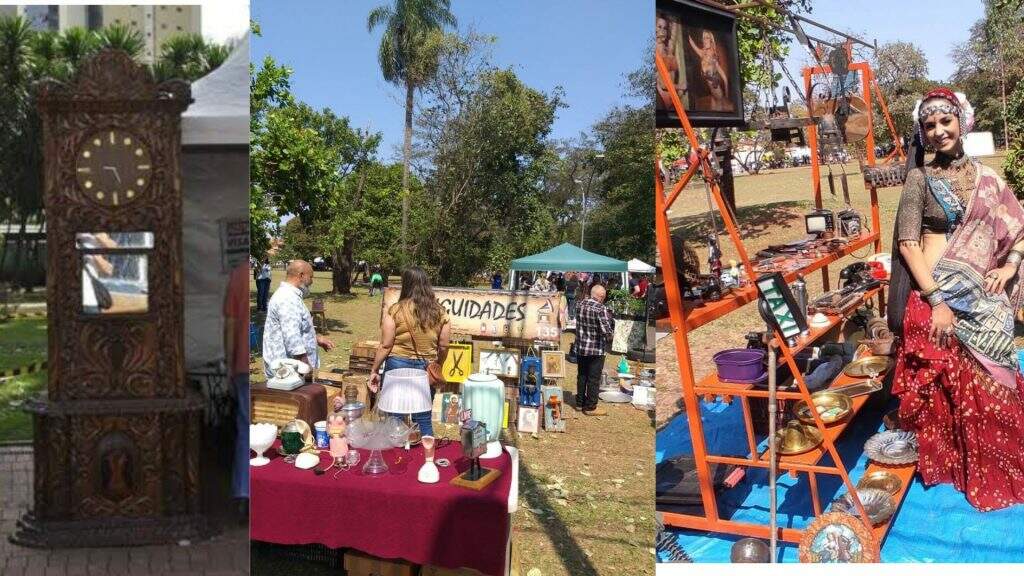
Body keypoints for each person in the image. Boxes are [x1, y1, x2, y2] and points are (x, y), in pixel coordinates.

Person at [888, 87, 1024, 511]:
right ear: (922, 133)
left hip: (983, 299)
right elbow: (909, 244)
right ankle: (958, 467)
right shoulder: (919, 179)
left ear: (961, 122)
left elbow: (1018, 227)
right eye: (929, 125)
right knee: (951, 389)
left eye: (945, 121)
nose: (938, 131)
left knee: (999, 381)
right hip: (937, 298)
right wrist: (938, 301)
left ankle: (1003, 467)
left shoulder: (989, 179)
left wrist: (1009, 266)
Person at [341, 266, 450, 436]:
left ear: (406, 284)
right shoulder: (440, 312)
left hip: (397, 365)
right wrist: (438, 365)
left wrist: (374, 370)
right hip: (425, 368)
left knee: (395, 416)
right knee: (423, 416)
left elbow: (385, 345)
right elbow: (443, 346)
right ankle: (427, 455)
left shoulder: (395, 310)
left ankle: (395, 456)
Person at [262, 260, 335, 378]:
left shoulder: (291, 296)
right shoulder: (287, 298)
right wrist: (306, 368)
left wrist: (316, 338)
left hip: (292, 371)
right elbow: (292, 338)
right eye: (311, 277)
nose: (312, 281)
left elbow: (294, 328)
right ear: (301, 275)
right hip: (287, 372)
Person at [223, 261, 250, 523]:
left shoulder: (237, 274)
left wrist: (229, 364)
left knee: (244, 429)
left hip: (241, 365)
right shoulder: (245, 274)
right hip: (245, 363)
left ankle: (243, 493)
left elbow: (229, 325)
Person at [574, 284, 615, 416]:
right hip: (596, 349)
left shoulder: (579, 304)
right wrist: (611, 334)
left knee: (582, 375)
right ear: (601, 297)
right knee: (593, 378)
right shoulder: (600, 308)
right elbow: (606, 331)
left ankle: (579, 403)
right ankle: (591, 407)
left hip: (581, 346)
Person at [687, 30, 731, 112]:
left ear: (711, 40)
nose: (705, 40)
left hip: (716, 90)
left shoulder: (713, 56)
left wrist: (726, 94)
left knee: (720, 109)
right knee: (716, 111)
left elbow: (724, 78)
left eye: (707, 38)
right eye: (703, 38)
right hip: (712, 92)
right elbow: (692, 43)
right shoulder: (702, 53)